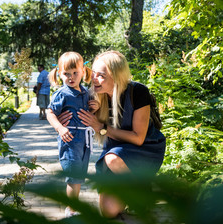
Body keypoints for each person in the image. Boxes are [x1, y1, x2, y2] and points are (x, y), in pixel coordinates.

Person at [61, 50, 166, 218]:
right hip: (115, 153)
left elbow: (138, 138)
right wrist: (61, 121)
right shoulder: (93, 95)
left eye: (101, 75)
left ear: (116, 77)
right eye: (93, 73)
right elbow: (67, 109)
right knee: (109, 211)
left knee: (113, 158)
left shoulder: (138, 92)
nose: (94, 79)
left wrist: (101, 127)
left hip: (145, 149)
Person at [46, 51, 99, 217]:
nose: (71, 77)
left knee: (79, 175)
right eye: (66, 74)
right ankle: (71, 209)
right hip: (69, 139)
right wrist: (60, 128)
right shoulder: (62, 94)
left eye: (75, 72)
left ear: (83, 71)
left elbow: (88, 114)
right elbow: (50, 113)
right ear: (59, 74)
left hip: (84, 141)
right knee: (73, 176)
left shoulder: (86, 93)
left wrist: (95, 108)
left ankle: (73, 207)